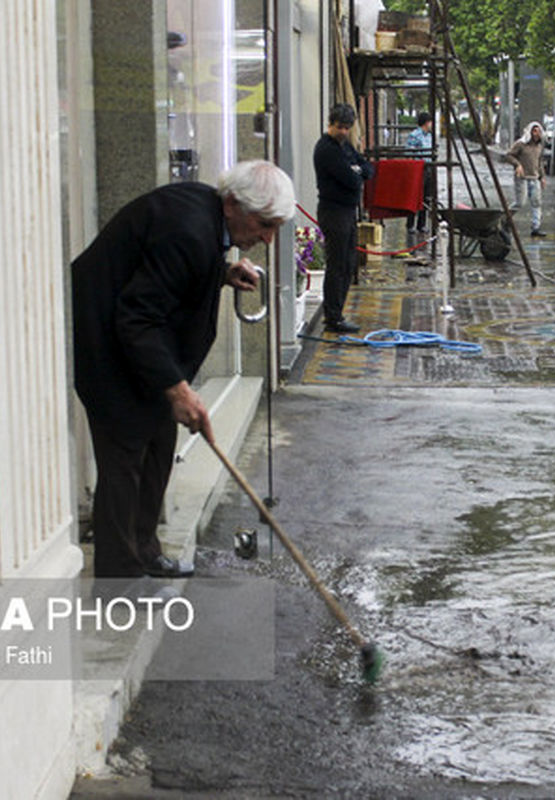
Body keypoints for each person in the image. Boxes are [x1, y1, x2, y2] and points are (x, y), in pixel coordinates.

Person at [72, 160, 294, 579]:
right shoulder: (189, 230)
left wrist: (222, 272)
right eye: (264, 224)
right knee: (124, 459)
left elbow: (168, 273)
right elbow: (137, 317)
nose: (266, 238)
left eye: (275, 227)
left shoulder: (205, 216)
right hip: (106, 344)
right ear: (232, 204)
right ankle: (120, 577)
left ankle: (145, 550)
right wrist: (177, 390)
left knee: (158, 444)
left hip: (139, 346)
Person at [314, 103, 374, 334]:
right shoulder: (326, 149)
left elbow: (366, 167)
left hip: (348, 211)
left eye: (347, 128)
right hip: (334, 210)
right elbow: (351, 179)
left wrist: (358, 170)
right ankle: (333, 316)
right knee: (337, 264)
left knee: (349, 263)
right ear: (330, 124)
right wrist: (357, 172)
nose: (344, 132)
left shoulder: (344, 145)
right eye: (340, 127)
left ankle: (338, 312)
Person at [506, 121, 547, 237]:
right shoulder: (521, 144)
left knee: (536, 203)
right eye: (534, 131)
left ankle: (536, 227)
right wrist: (517, 165)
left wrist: (542, 177)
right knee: (520, 202)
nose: (536, 133)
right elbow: (509, 155)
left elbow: (539, 163)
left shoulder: (539, 146)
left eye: (538, 131)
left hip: (534, 178)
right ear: (530, 132)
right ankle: (505, 219)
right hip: (522, 178)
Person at [404, 111, 434, 234]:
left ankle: (421, 224)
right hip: (417, 168)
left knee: (426, 197)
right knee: (415, 196)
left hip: (428, 167)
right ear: (426, 123)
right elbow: (409, 153)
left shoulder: (429, 136)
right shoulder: (415, 135)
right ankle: (410, 224)